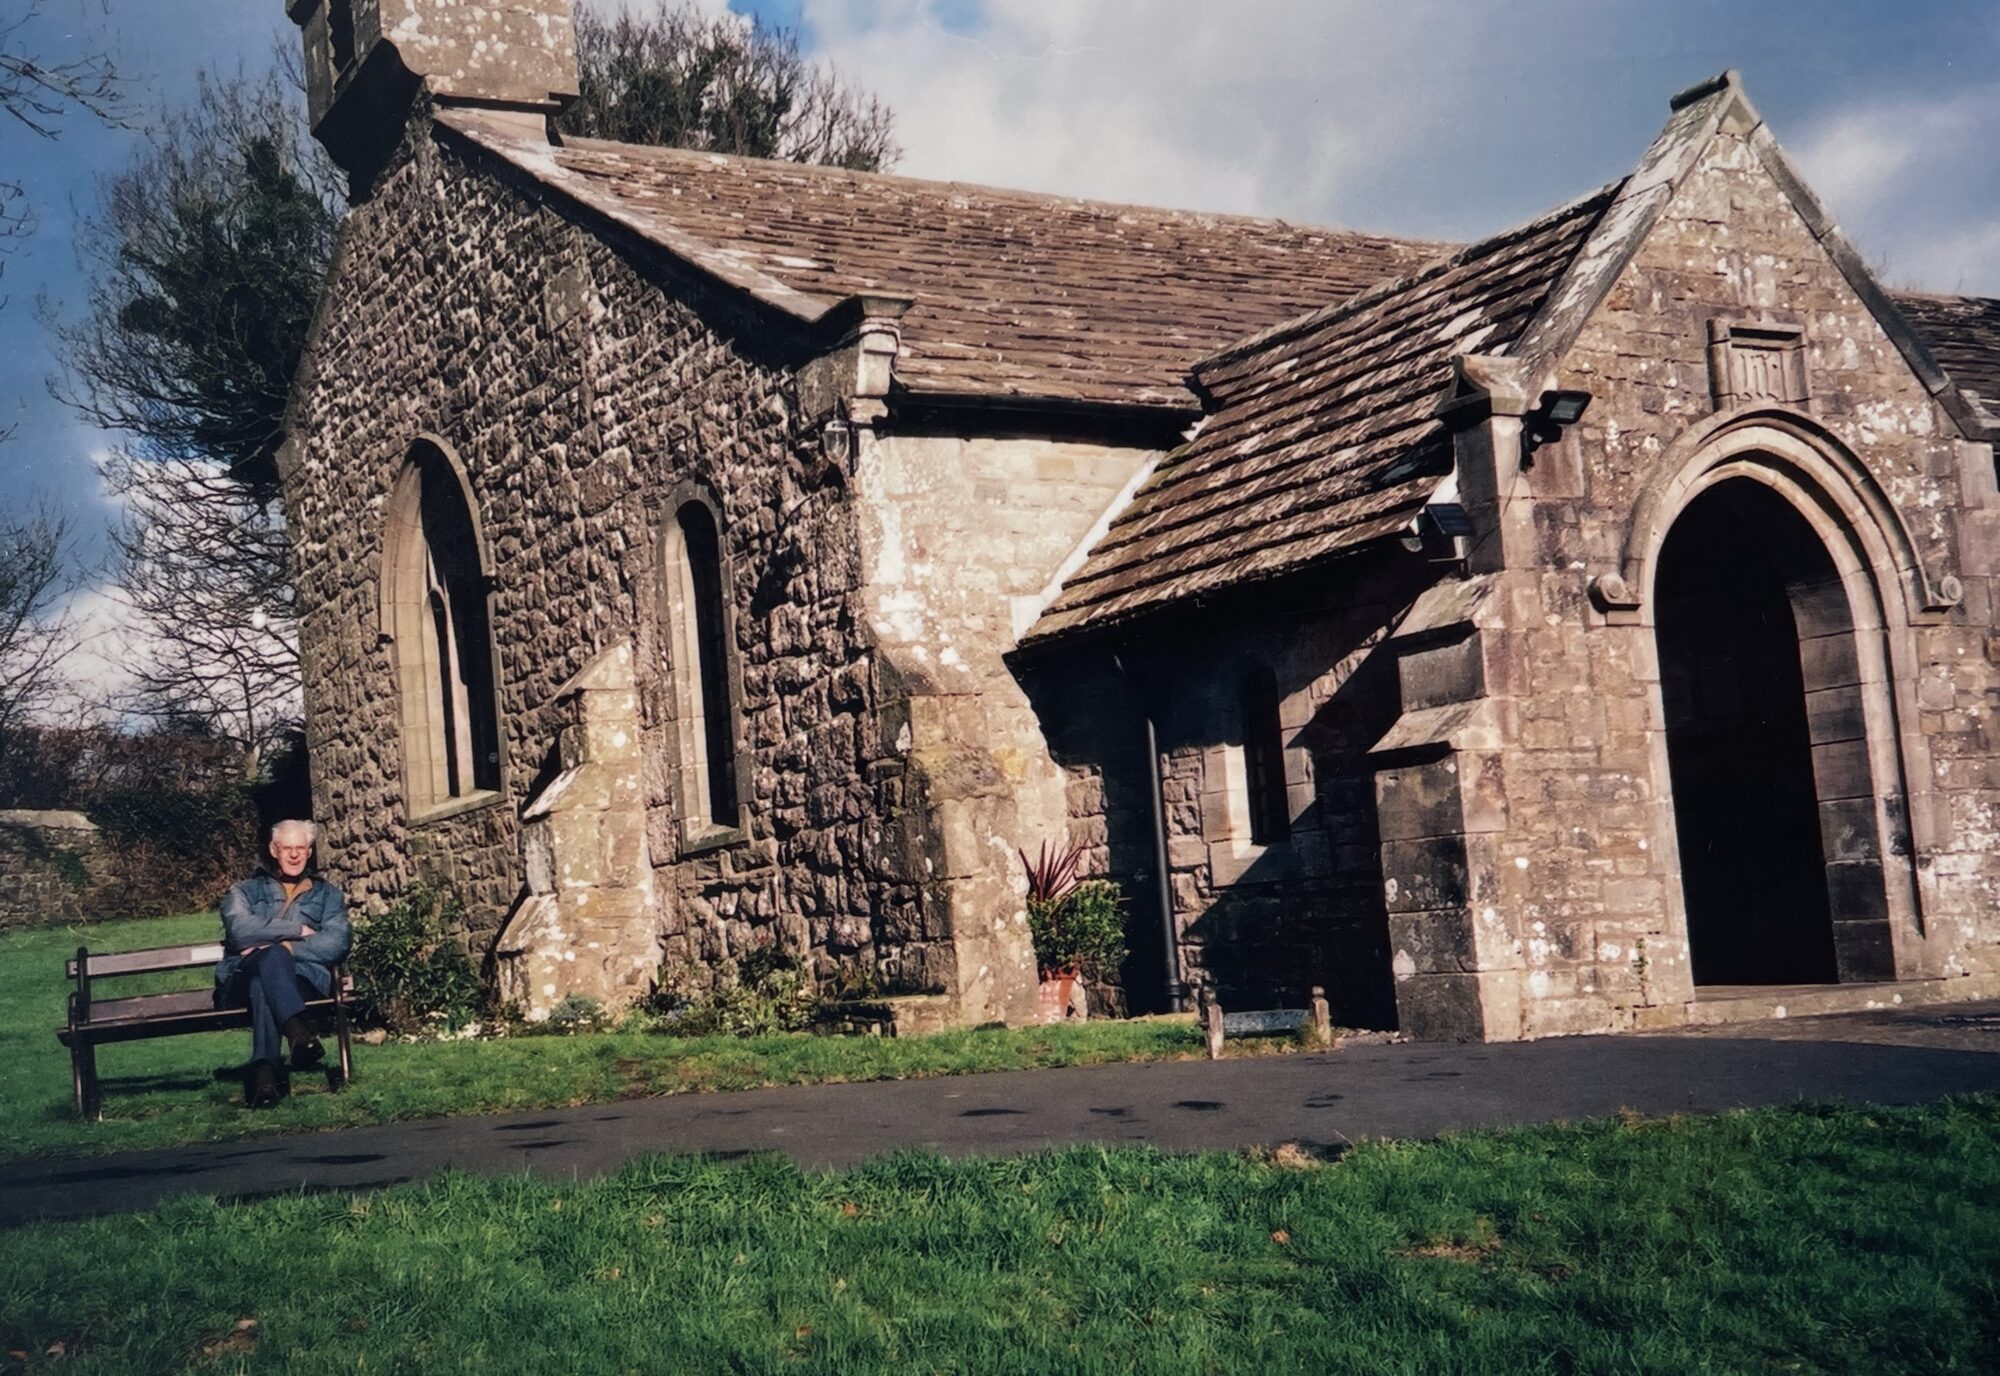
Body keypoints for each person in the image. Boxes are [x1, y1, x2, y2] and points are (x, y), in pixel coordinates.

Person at [215, 819, 351, 1108]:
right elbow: (239, 930)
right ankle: (298, 1034)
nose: (294, 854)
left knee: (266, 976)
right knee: (266, 969)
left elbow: (336, 942)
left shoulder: (327, 895)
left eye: (300, 848)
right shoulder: (244, 891)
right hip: (238, 980)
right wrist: (296, 932)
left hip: (303, 982)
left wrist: (280, 946)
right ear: (273, 850)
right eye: (286, 848)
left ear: (310, 851)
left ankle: (263, 1076)